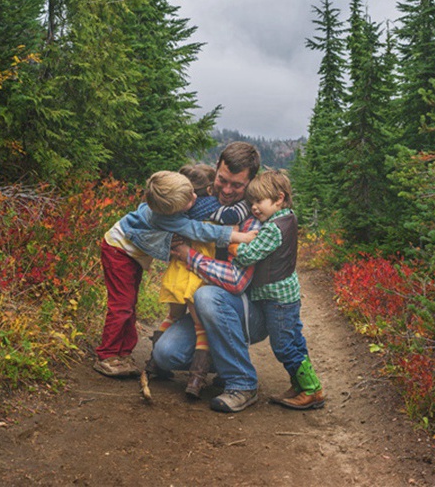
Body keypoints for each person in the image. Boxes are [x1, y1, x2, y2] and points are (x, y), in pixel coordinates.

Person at [94, 170, 248, 378]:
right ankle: (107, 355)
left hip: (127, 254)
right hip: (118, 252)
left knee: (129, 304)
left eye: (192, 193)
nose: (194, 198)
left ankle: (123, 352)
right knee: (122, 306)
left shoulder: (164, 204)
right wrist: (238, 236)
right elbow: (199, 230)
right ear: (172, 211)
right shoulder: (166, 218)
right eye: (188, 199)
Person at [152, 142, 270, 413]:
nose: (227, 191)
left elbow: (236, 282)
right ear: (216, 168)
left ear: (250, 182)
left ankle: (242, 382)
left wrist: (188, 255)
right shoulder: (201, 203)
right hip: (204, 310)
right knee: (166, 353)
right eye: (222, 180)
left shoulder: (253, 216)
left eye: (237, 186)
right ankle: (224, 357)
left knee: (207, 295)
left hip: (248, 313)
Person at [232, 169, 325, 410]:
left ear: (279, 198)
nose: (254, 208)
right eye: (251, 202)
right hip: (286, 295)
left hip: (277, 299)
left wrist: (233, 246)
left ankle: (311, 390)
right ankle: (303, 384)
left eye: (259, 201)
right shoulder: (288, 218)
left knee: (283, 344)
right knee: (294, 340)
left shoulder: (273, 228)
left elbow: (248, 255)